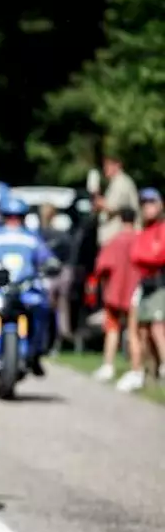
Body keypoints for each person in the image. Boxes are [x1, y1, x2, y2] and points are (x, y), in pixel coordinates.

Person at [0, 193, 57, 376]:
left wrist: (51, 264)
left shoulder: (32, 238)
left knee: (43, 310)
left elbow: (46, 257)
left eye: (17, 217)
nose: (13, 221)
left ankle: (36, 351)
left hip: (25, 289)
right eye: (9, 216)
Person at [91, 208, 144, 384]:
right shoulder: (141, 239)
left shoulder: (114, 241)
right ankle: (137, 368)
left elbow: (101, 267)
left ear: (121, 220)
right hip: (135, 291)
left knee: (112, 330)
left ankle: (108, 365)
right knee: (134, 331)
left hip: (115, 291)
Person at [119, 188, 165, 392]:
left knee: (157, 327)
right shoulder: (144, 232)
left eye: (151, 203)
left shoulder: (162, 229)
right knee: (144, 332)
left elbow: (159, 256)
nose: (147, 208)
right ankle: (150, 372)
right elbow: (136, 255)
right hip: (146, 285)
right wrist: (149, 256)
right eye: (144, 204)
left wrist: (148, 257)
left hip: (160, 285)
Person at [94, 153, 139, 247]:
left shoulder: (121, 182)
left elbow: (113, 207)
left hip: (117, 237)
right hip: (113, 237)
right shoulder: (115, 183)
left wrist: (99, 201)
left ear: (117, 165)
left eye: (108, 165)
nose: (105, 169)